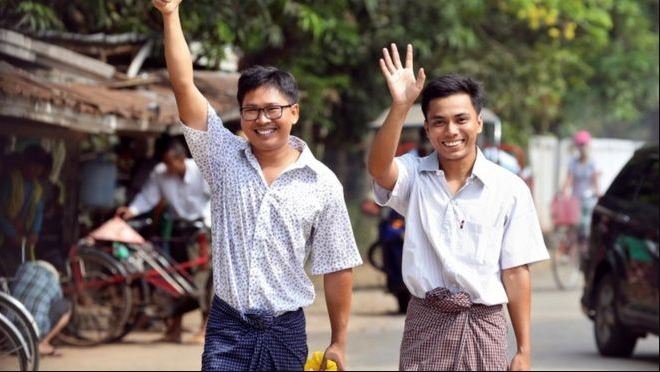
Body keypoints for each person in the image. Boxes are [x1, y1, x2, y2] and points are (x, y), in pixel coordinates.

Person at [151, 1, 363, 370]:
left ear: (294, 112)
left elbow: (338, 267)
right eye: (252, 110)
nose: (262, 120)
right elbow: (184, 84)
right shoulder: (221, 156)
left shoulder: (322, 183)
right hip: (227, 329)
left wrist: (339, 342)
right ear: (242, 115)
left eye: (273, 109)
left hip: (285, 330)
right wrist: (171, 14)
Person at [367, 44, 549, 371]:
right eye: (439, 122)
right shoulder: (413, 176)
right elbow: (380, 169)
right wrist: (400, 105)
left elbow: (516, 271)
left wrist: (523, 349)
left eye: (460, 119)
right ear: (427, 129)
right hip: (426, 324)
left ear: (478, 123)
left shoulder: (509, 189)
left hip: (485, 326)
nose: (450, 131)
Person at [116, 139, 212, 344]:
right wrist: (131, 210)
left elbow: (216, 197)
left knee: (202, 279)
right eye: (165, 163)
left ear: (180, 158)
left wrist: (207, 222)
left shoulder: (201, 170)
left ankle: (205, 329)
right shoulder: (160, 173)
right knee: (174, 278)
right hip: (177, 230)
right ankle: (174, 328)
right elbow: (147, 197)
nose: (168, 168)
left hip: (201, 230)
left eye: (171, 163)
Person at [0, 144, 52, 277]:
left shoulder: (37, 189)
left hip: (21, 237)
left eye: (39, 167)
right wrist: (11, 233)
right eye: (33, 165)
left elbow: (38, 212)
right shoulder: (10, 180)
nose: (35, 170)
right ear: (24, 163)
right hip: (5, 235)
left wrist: (35, 232)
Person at [10, 260, 71, 357]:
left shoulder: (23, 268)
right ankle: (42, 343)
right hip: (35, 331)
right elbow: (56, 301)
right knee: (66, 306)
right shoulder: (54, 284)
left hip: (9, 328)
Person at [561, 130, 601, 244]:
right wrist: (563, 193)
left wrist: (599, 194)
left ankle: (585, 246)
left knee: (586, 223)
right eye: (580, 145)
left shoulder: (593, 163)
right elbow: (569, 179)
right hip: (575, 198)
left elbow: (596, 180)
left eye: (584, 145)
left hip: (589, 199)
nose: (582, 148)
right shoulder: (573, 162)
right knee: (572, 224)